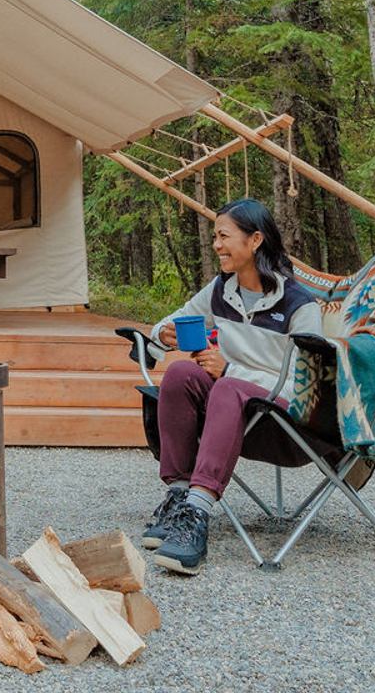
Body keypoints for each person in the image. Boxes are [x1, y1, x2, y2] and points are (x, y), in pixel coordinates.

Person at [138, 198, 321, 575]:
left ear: (255, 240)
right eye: (214, 237)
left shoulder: (299, 305)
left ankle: (198, 512)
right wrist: (162, 333)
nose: (216, 245)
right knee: (179, 375)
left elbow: (309, 383)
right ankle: (178, 496)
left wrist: (232, 369)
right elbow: (168, 323)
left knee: (226, 386)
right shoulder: (221, 290)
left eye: (224, 236)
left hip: (286, 424)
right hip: (233, 416)